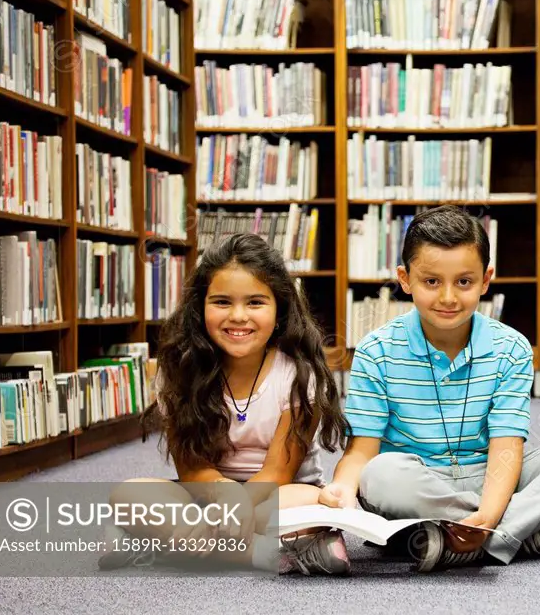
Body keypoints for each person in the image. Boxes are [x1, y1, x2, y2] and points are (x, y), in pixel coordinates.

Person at [321, 205, 540, 572]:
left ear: (485, 279)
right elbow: (362, 452)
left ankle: (464, 538)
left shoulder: (511, 348)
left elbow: (507, 445)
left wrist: (492, 512)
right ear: (404, 279)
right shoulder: (375, 351)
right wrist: (342, 486)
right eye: (432, 282)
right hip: (420, 483)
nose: (448, 297)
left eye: (463, 282)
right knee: (378, 475)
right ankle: (524, 531)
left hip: (494, 475)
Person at [100, 233, 352, 576]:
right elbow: (190, 469)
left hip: (277, 492)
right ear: (199, 307)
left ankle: (169, 547)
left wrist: (238, 507)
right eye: (221, 302)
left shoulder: (298, 375)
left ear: (279, 309)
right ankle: (265, 554)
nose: (238, 316)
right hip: (207, 495)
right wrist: (222, 496)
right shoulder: (178, 371)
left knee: (313, 505)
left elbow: (278, 473)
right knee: (129, 495)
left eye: (255, 303)